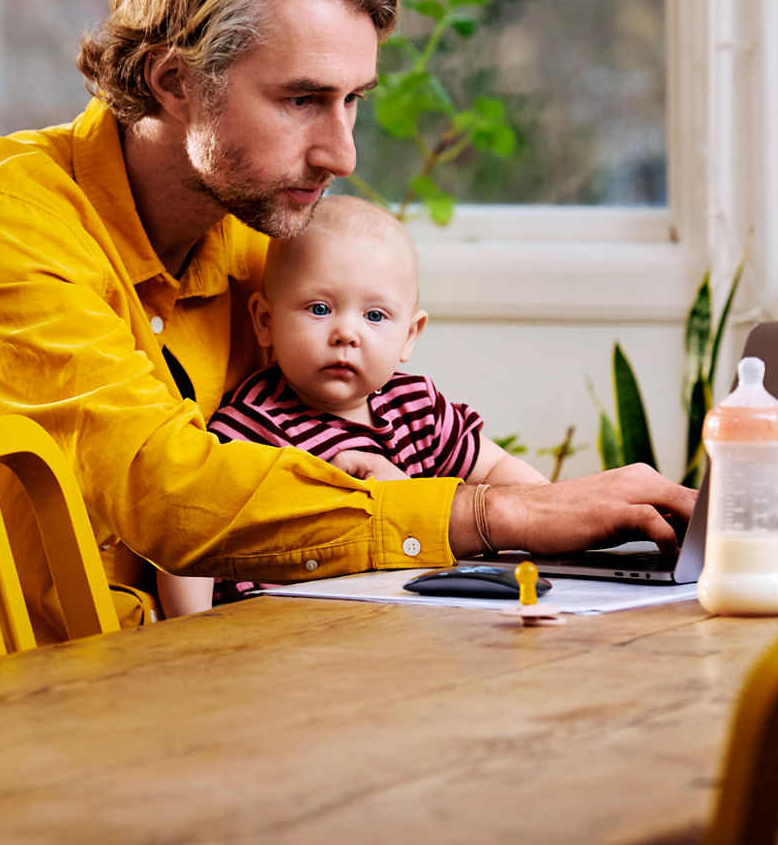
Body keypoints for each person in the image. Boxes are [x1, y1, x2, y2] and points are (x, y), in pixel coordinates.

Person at [0, 0, 693, 685]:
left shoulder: (249, 228)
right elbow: (166, 492)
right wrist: (497, 516)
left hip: (138, 679)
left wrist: (549, 503)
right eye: (303, 100)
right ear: (175, 80)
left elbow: (352, 422)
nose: (342, 153)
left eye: (354, 103)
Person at [160, 197, 547, 616]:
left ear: (410, 336)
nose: (347, 332)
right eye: (320, 309)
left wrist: (549, 516)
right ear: (265, 322)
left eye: (375, 316)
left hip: (406, 621)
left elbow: (499, 473)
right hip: (282, 630)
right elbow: (191, 531)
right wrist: (194, 628)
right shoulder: (254, 427)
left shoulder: (418, 407)